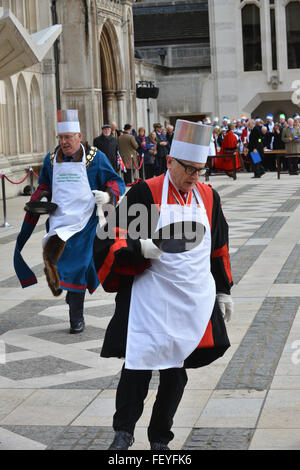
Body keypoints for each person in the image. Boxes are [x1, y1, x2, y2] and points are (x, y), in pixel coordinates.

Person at [93, 119, 233, 450]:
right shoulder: (146, 192)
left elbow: (218, 246)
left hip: (192, 301)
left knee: (175, 372)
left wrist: (225, 288)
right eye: (189, 169)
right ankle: (123, 433)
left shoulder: (209, 198)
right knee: (138, 366)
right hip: (151, 298)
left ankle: (160, 439)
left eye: (200, 170)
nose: (194, 177)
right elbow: (111, 235)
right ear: (170, 161)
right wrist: (140, 248)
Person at [14, 110, 125, 334]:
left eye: (68, 137)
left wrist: (108, 196)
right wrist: (43, 197)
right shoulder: (51, 159)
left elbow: (115, 181)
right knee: (59, 265)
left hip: (85, 224)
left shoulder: (96, 158)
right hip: (58, 222)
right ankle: (74, 297)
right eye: (60, 138)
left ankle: (76, 316)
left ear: (79, 136)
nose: (64, 142)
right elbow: (44, 184)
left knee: (80, 267)